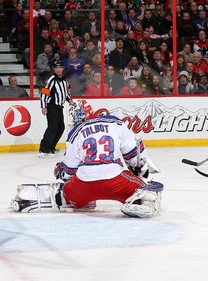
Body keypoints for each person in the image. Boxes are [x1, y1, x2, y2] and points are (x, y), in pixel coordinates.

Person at [11, 101, 163, 218]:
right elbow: (134, 155)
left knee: (67, 191)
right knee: (146, 188)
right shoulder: (115, 123)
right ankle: (141, 201)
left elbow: (68, 172)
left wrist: (60, 170)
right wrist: (139, 170)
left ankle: (74, 200)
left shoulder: (74, 133)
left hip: (83, 186)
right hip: (116, 182)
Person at [39, 61, 73, 158]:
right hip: (52, 106)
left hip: (59, 107)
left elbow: (66, 92)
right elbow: (44, 93)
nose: (58, 69)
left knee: (60, 128)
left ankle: (51, 147)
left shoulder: (65, 80)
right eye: (56, 67)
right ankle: (44, 149)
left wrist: (69, 100)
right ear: (54, 69)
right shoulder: (51, 80)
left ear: (63, 69)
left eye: (60, 67)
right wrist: (44, 106)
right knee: (52, 128)